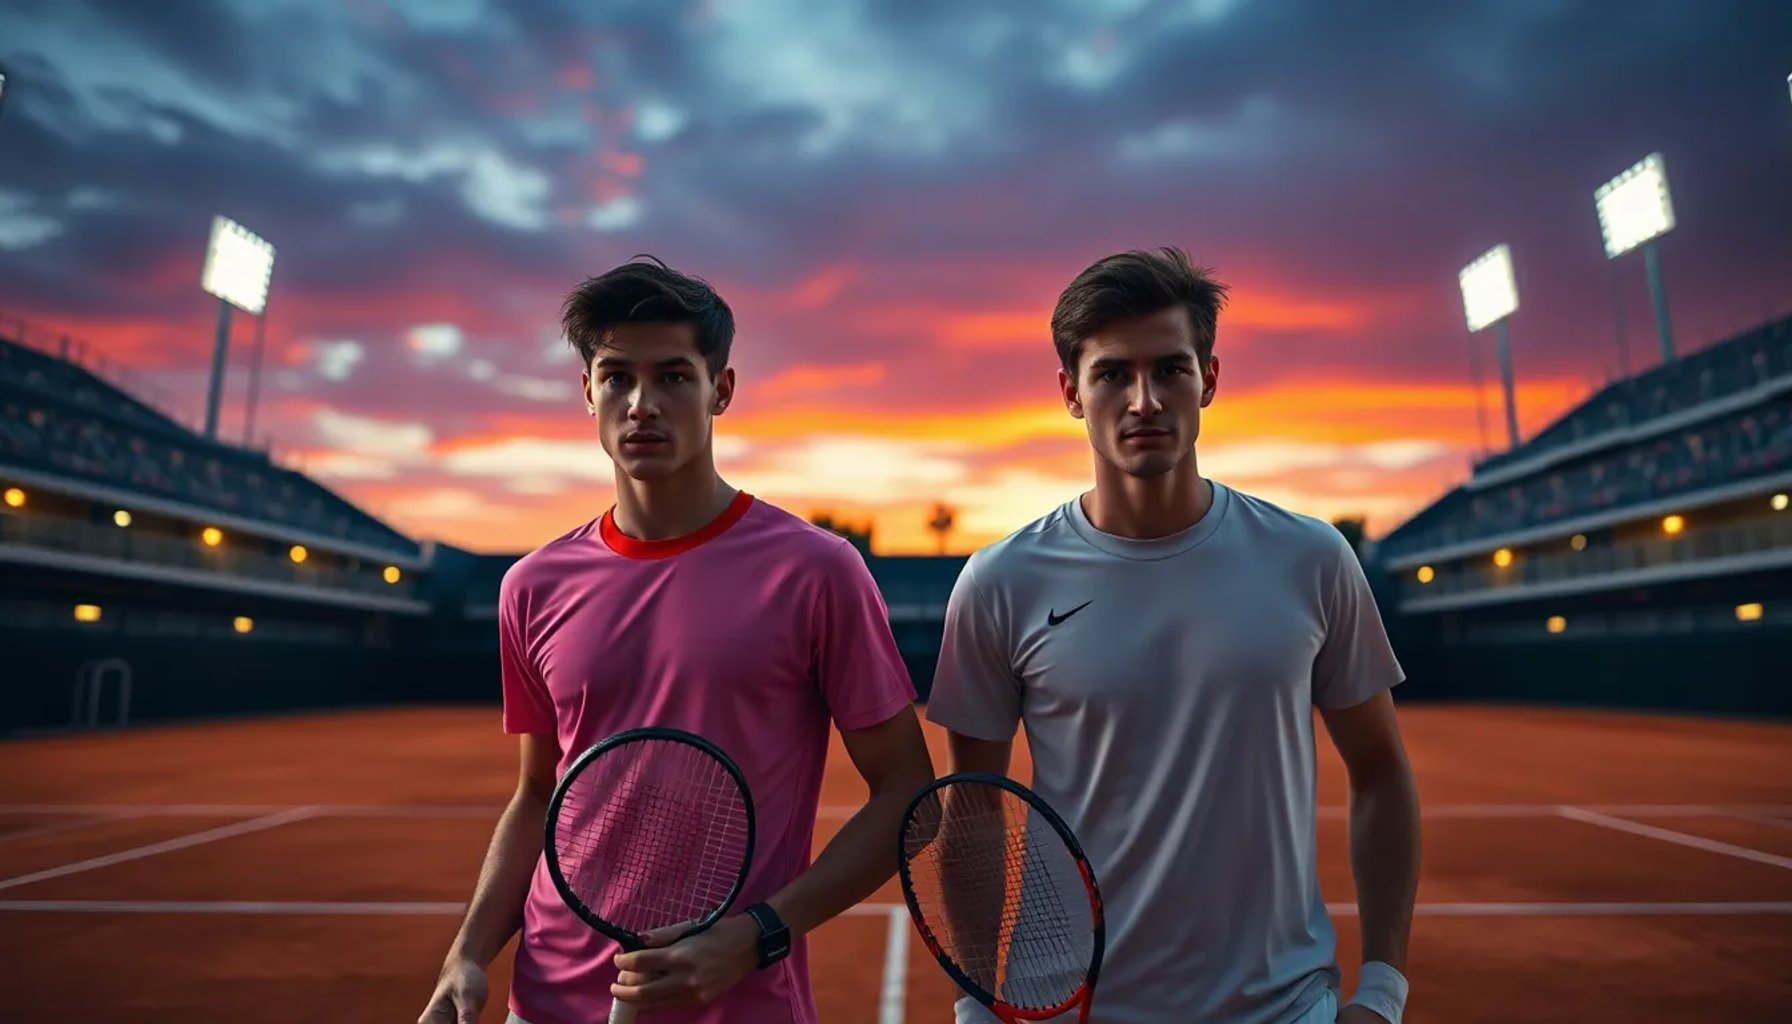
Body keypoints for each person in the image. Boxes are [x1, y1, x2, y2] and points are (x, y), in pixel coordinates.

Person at [419, 256, 936, 1024]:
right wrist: (466, 952)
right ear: (588, 391)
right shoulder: (531, 586)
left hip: (738, 1004)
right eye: (616, 377)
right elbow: (538, 794)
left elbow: (908, 796)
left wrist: (756, 936)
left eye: (672, 377)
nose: (641, 405)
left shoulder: (816, 571)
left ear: (720, 389)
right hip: (548, 1001)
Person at [925, 248, 1421, 1024]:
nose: (1144, 400)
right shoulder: (1000, 581)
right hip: (1072, 1010)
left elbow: (1381, 771)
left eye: (1170, 369)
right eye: (1112, 374)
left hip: (1281, 1007)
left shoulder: (1312, 558)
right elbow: (975, 815)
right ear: (1070, 392)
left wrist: (1383, 991)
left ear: (1209, 379)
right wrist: (977, 1008)